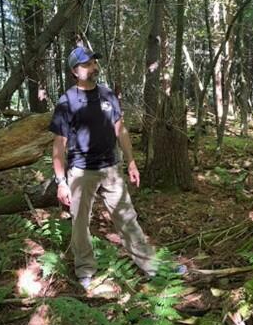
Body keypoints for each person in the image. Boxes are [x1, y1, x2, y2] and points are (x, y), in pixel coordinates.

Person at [49, 46, 184, 290]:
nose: (93, 67)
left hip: (111, 168)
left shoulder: (107, 95)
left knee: (127, 218)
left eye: (94, 62)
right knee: (80, 223)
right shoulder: (67, 102)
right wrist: (61, 182)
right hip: (81, 172)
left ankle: (152, 268)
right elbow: (59, 146)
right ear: (74, 71)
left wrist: (131, 161)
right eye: (86, 64)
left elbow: (120, 130)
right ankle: (85, 270)